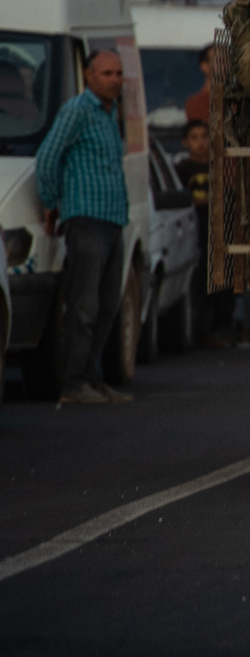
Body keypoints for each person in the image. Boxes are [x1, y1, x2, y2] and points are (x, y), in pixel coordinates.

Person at [35, 50, 131, 405]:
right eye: (107, 73)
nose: (115, 79)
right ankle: (74, 383)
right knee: (84, 306)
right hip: (86, 218)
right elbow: (47, 157)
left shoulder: (109, 114)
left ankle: (94, 379)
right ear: (89, 76)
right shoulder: (77, 110)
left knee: (108, 306)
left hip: (113, 218)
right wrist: (51, 202)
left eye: (119, 73)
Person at [173, 119, 233, 348]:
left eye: (205, 136)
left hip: (218, 234)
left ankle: (221, 330)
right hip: (191, 234)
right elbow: (182, 200)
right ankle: (200, 331)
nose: (201, 143)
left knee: (222, 283)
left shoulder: (221, 168)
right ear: (185, 142)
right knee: (199, 285)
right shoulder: (181, 170)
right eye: (195, 137)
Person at [183, 44, 214, 124]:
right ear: (204, 66)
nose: (225, 65)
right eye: (219, 60)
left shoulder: (239, 102)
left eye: (227, 60)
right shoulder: (195, 103)